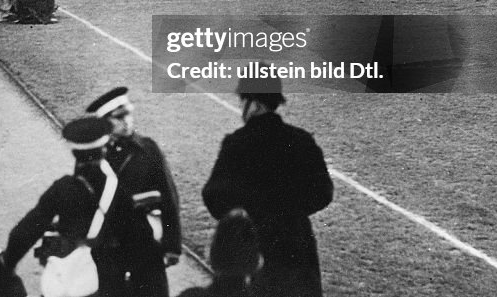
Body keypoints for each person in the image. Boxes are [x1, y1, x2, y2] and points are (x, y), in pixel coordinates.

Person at [202, 75, 333, 297]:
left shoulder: (236, 143)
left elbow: (213, 195)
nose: (242, 107)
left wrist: (242, 218)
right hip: (297, 245)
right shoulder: (301, 140)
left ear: (256, 104)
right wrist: (292, 212)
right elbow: (323, 192)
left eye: (244, 101)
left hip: (253, 246)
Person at [3, 117, 133, 297]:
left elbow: (24, 232)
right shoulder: (119, 190)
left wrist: (9, 264)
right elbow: (139, 239)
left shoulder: (63, 188)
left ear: (75, 153)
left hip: (64, 282)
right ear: (104, 149)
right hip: (106, 285)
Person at [86, 87, 181, 297]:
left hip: (145, 246)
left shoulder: (148, 149)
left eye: (128, 113)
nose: (127, 120)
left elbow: (168, 197)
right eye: (119, 117)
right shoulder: (92, 157)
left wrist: (172, 244)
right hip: (109, 249)